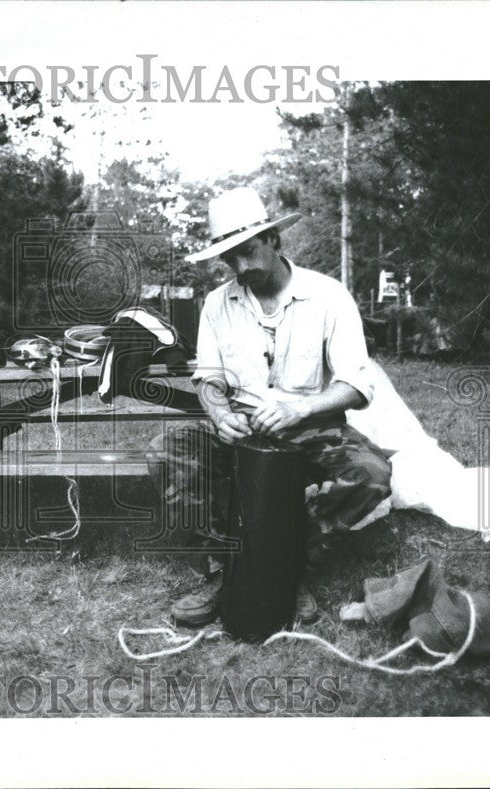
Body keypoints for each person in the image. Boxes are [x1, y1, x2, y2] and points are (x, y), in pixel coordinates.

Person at [154, 186, 392, 626]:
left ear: (273, 240)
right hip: (244, 426)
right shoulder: (216, 304)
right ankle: (225, 569)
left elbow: (357, 385)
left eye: (248, 252)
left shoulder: (329, 295)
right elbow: (209, 377)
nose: (241, 268)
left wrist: (302, 410)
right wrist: (220, 414)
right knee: (167, 451)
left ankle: (289, 565)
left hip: (313, 424)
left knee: (371, 475)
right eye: (230, 259)